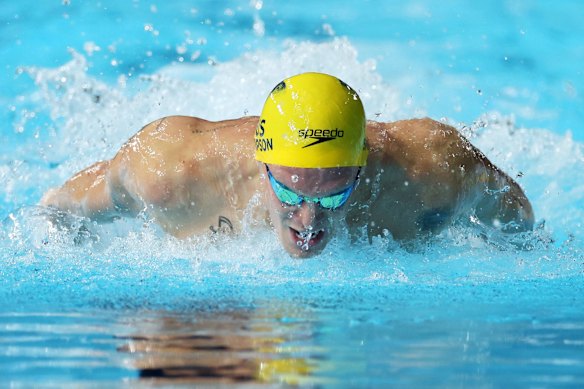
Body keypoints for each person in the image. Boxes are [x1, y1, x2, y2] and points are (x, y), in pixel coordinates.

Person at [40, 72, 534, 257]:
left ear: (363, 165)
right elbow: (60, 206)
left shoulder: (434, 173)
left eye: (333, 194)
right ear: (262, 161)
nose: (309, 221)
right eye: (292, 192)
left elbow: (517, 220)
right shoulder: (169, 174)